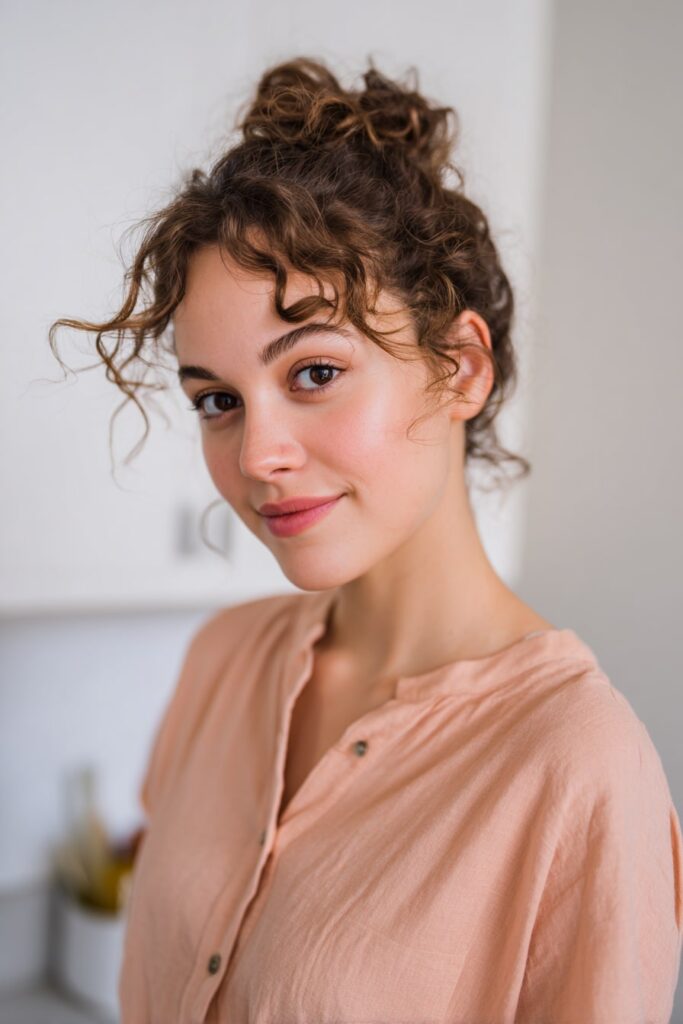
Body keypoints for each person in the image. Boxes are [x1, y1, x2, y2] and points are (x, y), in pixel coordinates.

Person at [49, 56, 682, 1023]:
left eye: (312, 373)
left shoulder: (577, 768)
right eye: (217, 400)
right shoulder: (222, 661)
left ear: (459, 367)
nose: (257, 455)